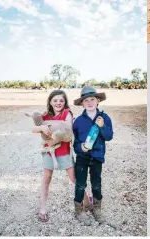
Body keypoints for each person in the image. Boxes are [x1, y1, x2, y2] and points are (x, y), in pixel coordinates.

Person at [32, 89, 90, 222]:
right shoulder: (45, 115)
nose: (58, 103)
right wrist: (41, 128)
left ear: (65, 102)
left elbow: (68, 130)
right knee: (47, 177)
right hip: (49, 152)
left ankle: (87, 200)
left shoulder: (66, 113)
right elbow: (34, 128)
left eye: (61, 100)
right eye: (55, 100)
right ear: (50, 102)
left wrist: (54, 140)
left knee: (74, 178)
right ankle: (43, 208)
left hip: (64, 152)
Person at [73, 85, 113, 225]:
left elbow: (109, 137)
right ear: (82, 103)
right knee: (80, 184)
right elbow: (75, 142)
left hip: (97, 157)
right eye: (86, 100)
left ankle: (97, 209)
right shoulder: (78, 121)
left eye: (92, 99)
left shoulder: (104, 117)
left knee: (96, 184)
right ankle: (79, 210)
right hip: (82, 158)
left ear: (98, 101)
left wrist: (102, 126)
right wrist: (80, 147)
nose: (89, 102)